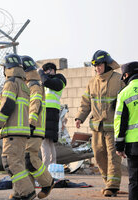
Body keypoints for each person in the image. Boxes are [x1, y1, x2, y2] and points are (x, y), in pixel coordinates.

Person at [75, 50, 124, 197]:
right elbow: (85, 103)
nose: (97, 68)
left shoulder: (119, 80)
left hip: (113, 127)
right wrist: (79, 118)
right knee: (98, 156)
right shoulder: (92, 82)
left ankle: (113, 186)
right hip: (97, 127)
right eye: (95, 66)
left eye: (99, 65)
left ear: (107, 64)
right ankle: (107, 182)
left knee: (113, 157)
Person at [0, 53, 35, 200]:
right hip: (22, 131)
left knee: (10, 162)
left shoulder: (11, 82)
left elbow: (7, 104)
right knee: (18, 163)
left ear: (7, 68)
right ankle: (18, 193)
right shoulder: (24, 84)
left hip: (12, 131)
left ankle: (28, 191)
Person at [21, 55, 54, 199]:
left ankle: (48, 182)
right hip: (27, 128)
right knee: (24, 160)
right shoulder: (26, 84)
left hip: (34, 128)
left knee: (29, 157)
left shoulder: (33, 84)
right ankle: (29, 192)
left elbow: (35, 104)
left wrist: (31, 123)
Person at [114, 61, 138, 200]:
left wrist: (119, 146)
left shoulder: (124, 93)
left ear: (127, 75)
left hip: (134, 145)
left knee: (135, 180)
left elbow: (120, 122)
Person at [38, 62, 67, 168]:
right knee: (49, 141)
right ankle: (52, 166)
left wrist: (40, 73)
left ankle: (45, 167)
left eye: (46, 71)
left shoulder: (59, 80)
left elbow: (46, 81)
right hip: (47, 111)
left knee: (45, 140)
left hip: (50, 112)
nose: (45, 74)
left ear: (52, 70)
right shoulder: (48, 81)